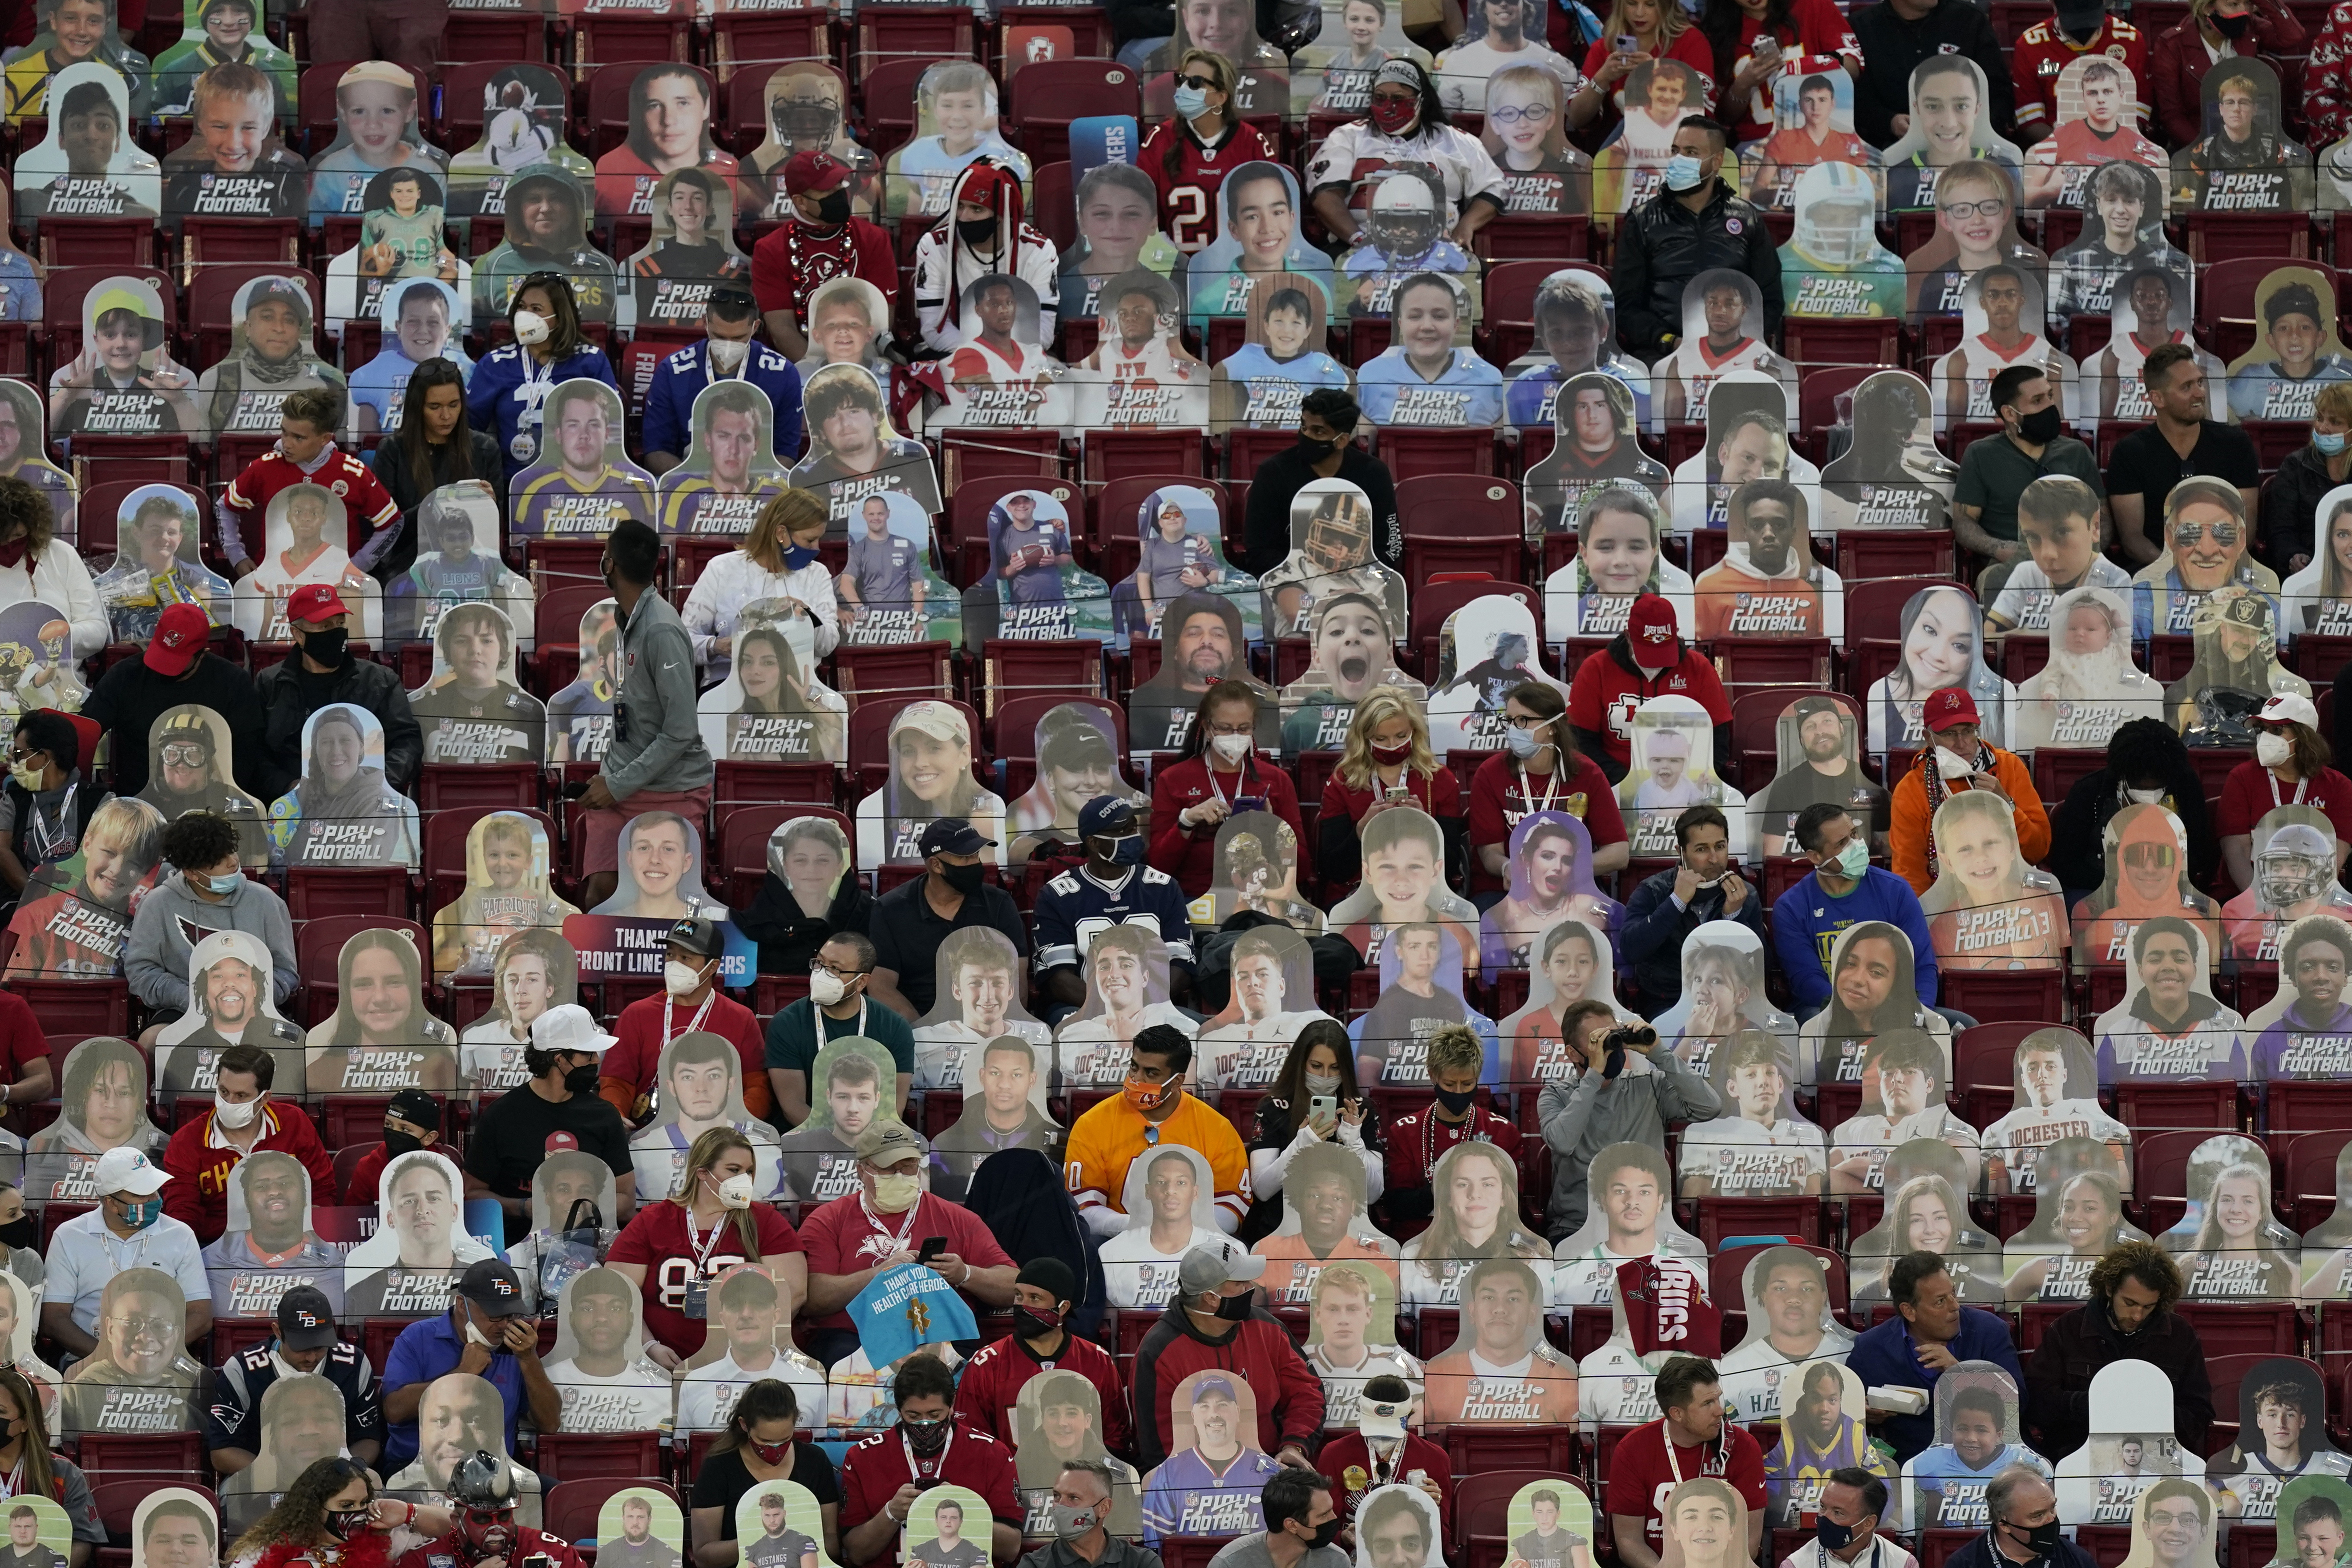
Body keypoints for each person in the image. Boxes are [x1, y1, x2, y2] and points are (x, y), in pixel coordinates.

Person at [796, 1121, 1015, 1368]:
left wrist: (965, 1273)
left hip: (942, 1337)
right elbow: (813, 1299)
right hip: (856, 1339)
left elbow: (1013, 1285)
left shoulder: (958, 1218)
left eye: (909, 1166)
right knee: (838, 1356)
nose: (900, 1175)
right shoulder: (829, 1220)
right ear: (862, 1171)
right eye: (888, 1169)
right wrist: (878, 1274)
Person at [574, 520, 711, 911]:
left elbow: (681, 731)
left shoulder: (662, 629)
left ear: (609, 565)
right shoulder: (627, 619)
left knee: (663, 902)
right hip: (621, 783)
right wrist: (612, 778)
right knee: (600, 894)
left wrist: (617, 784)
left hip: (671, 789)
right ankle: (602, 974)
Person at [1132, 1239, 1322, 1474]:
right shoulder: (1159, 1351)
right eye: (1240, 1283)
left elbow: (1307, 1391)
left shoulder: (1266, 1327)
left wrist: (1295, 1445)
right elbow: (1159, 1447)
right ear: (1211, 1298)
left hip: (1273, 1468)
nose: (1250, 1286)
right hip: (1195, 1481)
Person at [1538, 1002, 1720, 1234]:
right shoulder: (1555, 1095)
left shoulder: (1648, 1085)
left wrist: (1659, 1054)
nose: (1612, 1050)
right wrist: (1594, 1076)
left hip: (1648, 1227)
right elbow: (1563, 1143)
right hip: (1580, 1227)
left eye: (1614, 1038)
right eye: (1599, 1042)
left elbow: (1710, 1107)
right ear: (1573, 1053)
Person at [461, 1004, 634, 1247]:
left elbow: (626, 1199)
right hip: (516, 1247)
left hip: (589, 1246)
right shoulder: (502, 1116)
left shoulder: (604, 1115)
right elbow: (473, 1195)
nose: (597, 1060)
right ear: (560, 1059)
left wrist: (583, 1208)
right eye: (588, 1054)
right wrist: (523, 1208)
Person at [2023, 1241, 2212, 1462]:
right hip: (2077, 1460)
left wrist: (2147, 1412)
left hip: (2157, 1462)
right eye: (2129, 1303)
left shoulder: (2181, 1336)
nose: (2138, 1316)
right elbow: (2036, 1403)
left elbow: (2199, 1414)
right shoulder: (2067, 1330)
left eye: (2148, 1307)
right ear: (2110, 1288)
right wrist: (2096, 1404)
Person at [1611, 116, 1781, 361]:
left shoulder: (1748, 220)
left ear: (1717, 162)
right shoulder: (1642, 221)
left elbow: (1770, 299)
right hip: (1663, 354)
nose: (1679, 160)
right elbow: (1625, 305)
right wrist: (1668, 341)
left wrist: (1736, 343)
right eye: (1676, 151)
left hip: (1736, 354)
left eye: (1691, 153)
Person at [1065, 1025, 1249, 1241]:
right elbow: (1085, 1208)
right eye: (1134, 1067)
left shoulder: (1216, 1128)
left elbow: (1231, 1206)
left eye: (1150, 1073)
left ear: (1178, 1082)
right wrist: (1138, 1227)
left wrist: (1183, 1230)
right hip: (1117, 1240)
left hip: (1195, 1242)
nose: (1136, 1079)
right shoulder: (1092, 1124)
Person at [839, 1354, 1021, 1566]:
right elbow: (855, 1553)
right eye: (914, 1416)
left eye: (935, 1414)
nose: (925, 1424)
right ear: (899, 1411)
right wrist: (890, 1514)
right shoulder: (862, 1457)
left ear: (952, 1406)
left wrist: (962, 1514)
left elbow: (1011, 1548)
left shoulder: (993, 1454)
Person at [123, 811, 298, 1029]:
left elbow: (286, 972)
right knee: (153, 1042)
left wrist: (251, 998)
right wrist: (190, 999)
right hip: (182, 1010)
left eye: (231, 851)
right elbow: (141, 971)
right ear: (192, 873)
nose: (233, 862)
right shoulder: (156, 905)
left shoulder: (267, 902)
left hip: (257, 1010)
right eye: (219, 860)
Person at [1841, 1253, 2021, 1463]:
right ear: (1909, 1311)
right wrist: (1863, 1413)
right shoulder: (1871, 1348)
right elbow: (1844, 1412)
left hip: (1992, 1458)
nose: (1955, 1306)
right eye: (1941, 1301)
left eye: (1953, 1294)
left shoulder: (1990, 1332)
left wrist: (1960, 1372)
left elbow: (2019, 1404)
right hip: (1910, 1462)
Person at [379, 1260, 558, 1471]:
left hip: (493, 1472)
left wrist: (529, 1360)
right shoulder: (417, 1338)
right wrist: (462, 1374)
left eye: (512, 1315)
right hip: (418, 1468)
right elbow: (394, 1411)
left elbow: (550, 1424)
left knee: (558, 1495)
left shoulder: (517, 1347)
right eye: (495, 1315)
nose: (504, 1325)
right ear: (462, 1305)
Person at [252, 584, 421, 803]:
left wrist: (375, 784)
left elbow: (407, 742)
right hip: (292, 805)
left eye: (340, 623)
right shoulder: (270, 684)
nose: (336, 632)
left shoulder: (379, 681)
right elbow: (254, 752)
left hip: (367, 804)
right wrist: (288, 787)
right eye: (324, 627)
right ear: (298, 634)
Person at [81, 600, 261, 801]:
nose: (163, 668)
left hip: (211, 804)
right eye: (162, 653)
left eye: (176, 660)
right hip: (137, 803)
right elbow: (87, 729)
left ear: (203, 654)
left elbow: (247, 755)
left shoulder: (233, 683)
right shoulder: (125, 675)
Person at [1771, 802, 1939, 1017]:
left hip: (1895, 1009)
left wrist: (1921, 1014)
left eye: (1854, 834)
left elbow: (1923, 965)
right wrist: (1862, 1014)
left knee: (1962, 1023)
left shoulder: (1896, 891)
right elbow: (1807, 981)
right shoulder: (1791, 908)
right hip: (1830, 1012)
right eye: (1842, 843)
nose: (1856, 845)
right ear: (1816, 857)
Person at [2105, 343, 2263, 569]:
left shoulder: (2236, 444)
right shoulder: (2129, 453)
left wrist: (2213, 569)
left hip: (2225, 568)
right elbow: (2133, 541)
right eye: (2187, 387)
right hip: (2158, 570)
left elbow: (2246, 530)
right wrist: (2177, 571)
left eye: (2200, 382)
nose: (2200, 392)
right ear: (2158, 399)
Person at [39, 1145, 208, 1355]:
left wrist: (157, 1356)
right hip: (90, 1359)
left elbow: (200, 1314)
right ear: (111, 1203)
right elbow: (54, 1318)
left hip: (164, 1360)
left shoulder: (180, 1235)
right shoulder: (69, 1236)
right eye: (142, 1195)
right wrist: (105, 1359)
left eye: (155, 1190)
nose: (154, 1200)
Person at [600, 916, 772, 1123]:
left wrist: (732, 1124)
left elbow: (757, 1086)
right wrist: (616, 1116)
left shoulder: (740, 1018)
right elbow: (617, 1082)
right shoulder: (636, 1014)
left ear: (712, 967)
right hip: (649, 1131)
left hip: (719, 1135)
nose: (674, 965)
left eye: (686, 958)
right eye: (670, 955)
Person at [217, 390, 400, 582]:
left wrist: (359, 565)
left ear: (325, 439)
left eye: (298, 438)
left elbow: (392, 523)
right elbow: (225, 507)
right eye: (284, 432)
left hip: (337, 585)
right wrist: (236, 555)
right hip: (273, 582)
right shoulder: (265, 467)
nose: (286, 443)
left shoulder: (353, 472)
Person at [1467, 681, 1628, 898]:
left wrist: (1566, 872)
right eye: (1509, 721)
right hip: (1506, 892)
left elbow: (1618, 853)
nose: (1513, 729)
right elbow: (1489, 854)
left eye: (1523, 720)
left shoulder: (1588, 774)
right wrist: (1508, 868)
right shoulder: (1490, 774)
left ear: (1552, 726)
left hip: (1573, 890)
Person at [158, 1044, 331, 1246]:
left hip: (292, 1242)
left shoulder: (294, 1123)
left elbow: (322, 1190)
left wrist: (311, 1229)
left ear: (264, 1098)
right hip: (216, 1248)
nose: (229, 1102)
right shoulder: (186, 1142)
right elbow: (183, 1215)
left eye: (241, 1096)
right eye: (224, 1091)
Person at [1607, 1356, 1769, 1568]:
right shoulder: (1633, 1450)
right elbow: (1629, 1540)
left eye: (1718, 1398)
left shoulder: (1743, 1447)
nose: (1720, 1411)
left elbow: (1750, 1540)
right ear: (1677, 1414)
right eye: (1707, 1403)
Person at [1148, 683, 1307, 898]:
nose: (1235, 736)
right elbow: (1158, 867)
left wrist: (1274, 830)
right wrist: (1186, 822)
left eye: (1243, 729)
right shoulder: (1173, 779)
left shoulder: (1276, 781)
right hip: (1196, 899)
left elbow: (1303, 869)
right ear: (1206, 727)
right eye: (1224, 728)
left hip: (1261, 898)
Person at [206, 1286, 384, 1476]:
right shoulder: (241, 1370)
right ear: (278, 1331)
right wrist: (286, 1479)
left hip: (337, 1479)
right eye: (301, 1347)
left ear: (332, 1329)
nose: (311, 1357)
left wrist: (340, 1475)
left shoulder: (355, 1364)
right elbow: (222, 1453)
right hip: (263, 1480)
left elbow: (369, 1439)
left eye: (320, 1346)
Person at [1888, 688, 2050, 896]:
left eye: (1968, 731)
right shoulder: (1911, 789)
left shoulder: (2009, 767)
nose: (1961, 742)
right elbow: (1910, 873)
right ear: (1929, 738)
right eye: (1949, 734)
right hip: (1946, 900)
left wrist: (2006, 804)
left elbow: (2037, 851)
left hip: (2011, 892)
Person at [866, 819, 1029, 1021]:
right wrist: (923, 1033)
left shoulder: (999, 904)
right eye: (965, 858)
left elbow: (1017, 981)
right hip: (919, 1023)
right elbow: (880, 985)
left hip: (988, 1023)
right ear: (936, 865)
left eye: (976, 855)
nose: (976, 864)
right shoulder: (891, 910)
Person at [680, 490, 836, 687]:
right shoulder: (722, 568)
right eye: (810, 540)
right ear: (781, 534)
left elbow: (828, 645)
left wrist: (808, 617)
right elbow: (683, 640)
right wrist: (717, 646)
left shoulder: (817, 574)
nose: (816, 549)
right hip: (727, 687)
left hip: (795, 690)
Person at [1567, 594, 1733, 779]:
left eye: (1662, 651)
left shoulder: (1699, 669)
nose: (1655, 663)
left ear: (1676, 632)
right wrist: (1626, 782)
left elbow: (1718, 740)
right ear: (1628, 636)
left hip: (1686, 780)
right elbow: (1580, 741)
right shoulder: (1596, 669)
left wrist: (1691, 781)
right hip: (1612, 780)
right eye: (1649, 652)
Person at [750, 151, 896, 363]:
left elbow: (883, 318)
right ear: (800, 202)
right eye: (827, 190)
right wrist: (820, 373)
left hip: (866, 359)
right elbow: (782, 328)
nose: (838, 193)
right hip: (802, 365)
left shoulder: (875, 239)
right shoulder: (769, 250)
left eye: (839, 184)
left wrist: (855, 367)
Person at [1955, 368, 2107, 569]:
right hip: (2012, 565)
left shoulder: (2076, 452)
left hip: (2075, 562)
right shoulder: (1981, 455)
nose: (2051, 406)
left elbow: (2101, 516)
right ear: (2010, 413)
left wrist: (2087, 554)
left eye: (2050, 396)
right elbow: (1963, 522)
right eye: (2037, 401)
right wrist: (2001, 548)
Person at [642, 290, 804, 478]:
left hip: (755, 488)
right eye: (719, 336)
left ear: (755, 327)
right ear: (705, 323)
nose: (728, 347)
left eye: (738, 338)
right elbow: (656, 452)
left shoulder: (783, 374)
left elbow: (786, 454)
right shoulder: (671, 371)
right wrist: (696, 484)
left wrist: (749, 488)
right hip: (687, 485)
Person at [1241, 391, 1399, 576]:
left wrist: (1362, 578)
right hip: (1289, 582)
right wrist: (1304, 578)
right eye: (1303, 426)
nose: (1306, 435)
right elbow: (1259, 549)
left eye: (1318, 431)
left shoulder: (1373, 474)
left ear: (1341, 441)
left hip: (1358, 583)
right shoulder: (1274, 472)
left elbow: (1390, 548)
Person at [764, 933, 911, 1128]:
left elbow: (894, 1108)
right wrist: (839, 1140)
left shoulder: (895, 1028)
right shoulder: (787, 1024)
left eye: (835, 969)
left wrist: (862, 1143)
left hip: (872, 1139)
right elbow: (793, 1107)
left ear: (861, 982)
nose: (821, 974)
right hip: (807, 1138)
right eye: (819, 963)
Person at [1319, 692, 1461, 892]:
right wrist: (1361, 831)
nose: (1393, 746)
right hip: (1360, 891)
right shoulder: (1343, 782)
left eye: (1401, 736)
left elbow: (1451, 868)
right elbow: (1335, 870)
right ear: (1364, 737)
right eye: (1381, 738)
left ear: (1414, 731)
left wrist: (1426, 828)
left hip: (1422, 893)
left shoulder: (1438, 779)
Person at [1621, 804, 1764, 1003]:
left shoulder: (1745, 894)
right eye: (1702, 849)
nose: (1714, 858)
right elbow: (1631, 951)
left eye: (1720, 847)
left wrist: (1734, 918)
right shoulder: (1653, 891)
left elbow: (1759, 970)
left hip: (1728, 1005)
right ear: (1681, 852)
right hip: (1667, 1001)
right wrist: (1676, 902)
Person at [2217, 693, 2352, 887]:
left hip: (2317, 896)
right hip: (2247, 895)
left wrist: (2305, 903)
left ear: (2304, 736)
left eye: (2277, 730)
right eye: (2262, 730)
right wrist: (2257, 902)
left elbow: (2334, 860)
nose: (2266, 737)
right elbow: (2237, 853)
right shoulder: (2242, 778)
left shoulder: (2339, 787)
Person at [0, 711, 101, 915]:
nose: (13, 762)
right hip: (24, 907)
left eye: (20, 754)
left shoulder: (98, 802)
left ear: (45, 757)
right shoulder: (14, 797)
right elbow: (1, 849)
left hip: (84, 912)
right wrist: (40, 900)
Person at [1937, 1468, 2095, 1568]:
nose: (2051, 1520)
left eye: (2052, 1509)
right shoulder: (1964, 1563)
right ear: (2004, 1524)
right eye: (2038, 1516)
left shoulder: (2078, 1561)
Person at [1021, 1458, 1162, 1568]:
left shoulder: (1142, 1563)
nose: (1060, 1506)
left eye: (1073, 1498)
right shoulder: (1034, 1565)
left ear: (1104, 1508)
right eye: (1057, 1496)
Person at [1781, 1472, 1912, 1568]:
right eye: (1823, 1507)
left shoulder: (1903, 1563)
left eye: (1838, 1513)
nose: (1825, 1517)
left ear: (1868, 1523)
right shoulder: (1796, 1565)